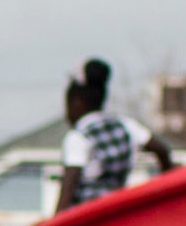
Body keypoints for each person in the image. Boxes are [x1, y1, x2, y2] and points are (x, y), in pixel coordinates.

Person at [56, 59, 173, 213]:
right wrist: (166, 191)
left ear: (76, 102)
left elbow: (70, 183)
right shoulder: (126, 126)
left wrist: (55, 220)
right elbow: (162, 150)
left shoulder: (78, 137)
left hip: (85, 220)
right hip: (116, 213)